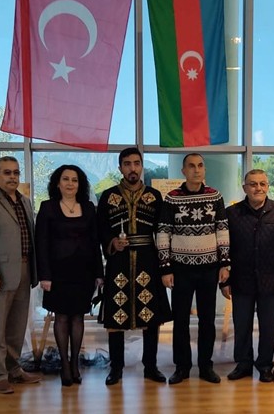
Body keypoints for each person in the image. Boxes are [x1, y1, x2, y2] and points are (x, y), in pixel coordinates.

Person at [96, 148, 172, 385]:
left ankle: (150, 366)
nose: (132, 168)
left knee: (151, 316)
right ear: (120, 167)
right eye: (127, 164)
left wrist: (164, 265)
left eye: (136, 163)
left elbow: (162, 231)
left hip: (148, 261)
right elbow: (100, 229)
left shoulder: (154, 196)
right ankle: (116, 368)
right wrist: (112, 242)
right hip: (118, 262)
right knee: (116, 315)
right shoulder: (108, 196)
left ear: (142, 166)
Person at [157, 153, 230, 385]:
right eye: (191, 166)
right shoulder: (172, 198)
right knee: (180, 320)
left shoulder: (215, 196)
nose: (196, 170)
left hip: (209, 269)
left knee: (207, 320)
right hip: (180, 270)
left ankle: (206, 366)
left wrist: (225, 264)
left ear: (204, 170)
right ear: (183, 171)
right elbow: (163, 233)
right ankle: (182, 367)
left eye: (200, 166)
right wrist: (165, 268)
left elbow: (222, 231)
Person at [0, 156, 43, 395]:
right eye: (7, 172)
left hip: (25, 270)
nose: (12, 177)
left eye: (16, 172)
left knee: (17, 326)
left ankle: (14, 369)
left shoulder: (25, 201)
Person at [223, 169, 274, 383]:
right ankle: (243, 364)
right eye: (253, 184)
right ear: (244, 188)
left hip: (271, 282)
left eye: (262, 184)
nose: (258, 188)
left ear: (267, 186)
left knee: (268, 327)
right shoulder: (232, 213)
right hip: (241, 281)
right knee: (242, 325)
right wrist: (224, 281)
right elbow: (224, 249)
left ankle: (265, 365)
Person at [35, 165, 104, 387]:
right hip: (57, 273)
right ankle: (64, 364)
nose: (70, 183)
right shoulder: (47, 207)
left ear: (80, 184)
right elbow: (41, 243)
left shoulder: (89, 208)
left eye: (74, 180)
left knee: (78, 317)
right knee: (62, 317)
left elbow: (95, 242)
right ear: (57, 183)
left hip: (83, 271)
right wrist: (44, 275)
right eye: (65, 179)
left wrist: (99, 273)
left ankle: (75, 363)